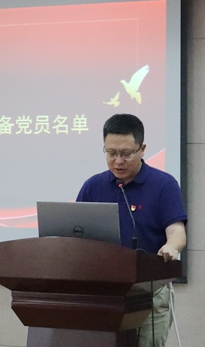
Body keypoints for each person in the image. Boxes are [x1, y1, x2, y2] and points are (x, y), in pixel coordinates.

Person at [76, 113, 187, 347]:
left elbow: (177, 231)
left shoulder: (163, 184)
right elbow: (74, 235)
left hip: (149, 292)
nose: (118, 161)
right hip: (103, 293)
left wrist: (171, 246)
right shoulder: (93, 186)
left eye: (126, 154)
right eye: (111, 153)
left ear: (142, 149)